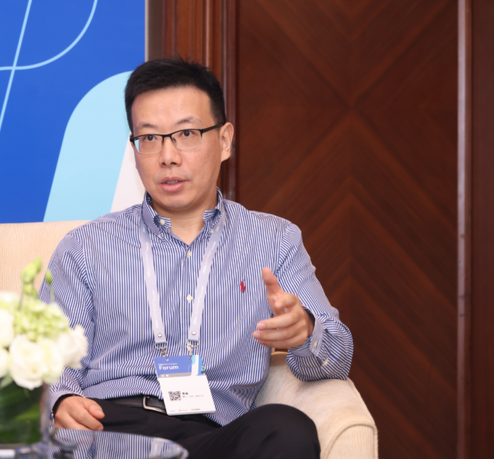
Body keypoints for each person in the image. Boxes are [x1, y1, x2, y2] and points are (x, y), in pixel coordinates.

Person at [40, 58, 353, 458]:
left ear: (224, 140)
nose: (168, 156)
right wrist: (61, 400)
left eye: (186, 133)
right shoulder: (85, 247)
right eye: (149, 138)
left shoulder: (275, 241)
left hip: (214, 437)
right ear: (134, 149)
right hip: (113, 429)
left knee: (287, 428)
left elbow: (337, 358)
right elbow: (45, 357)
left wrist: (305, 331)